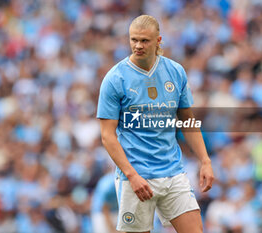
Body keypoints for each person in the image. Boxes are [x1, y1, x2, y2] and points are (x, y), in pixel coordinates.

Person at [97, 15, 215, 233]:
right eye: (134, 40)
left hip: (172, 172)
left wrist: (205, 160)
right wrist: (131, 175)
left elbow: (187, 121)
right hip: (136, 176)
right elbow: (107, 136)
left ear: (158, 40)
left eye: (145, 40)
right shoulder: (115, 78)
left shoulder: (175, 72)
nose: (138, 46)